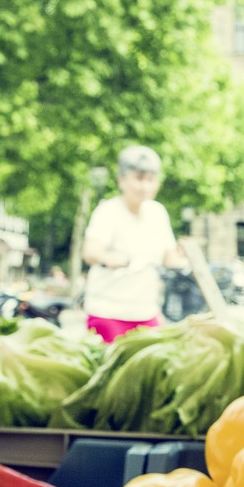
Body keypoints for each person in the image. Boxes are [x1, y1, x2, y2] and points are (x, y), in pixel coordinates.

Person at [82, 144, 188, 343]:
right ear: (122, 180)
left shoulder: (157, 213)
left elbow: (170, 257)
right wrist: (108, 257)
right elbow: (90, 251)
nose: (145, 187)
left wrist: (189, 258)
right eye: (139, 179)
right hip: (108, 312)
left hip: (146, 312)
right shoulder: (108, 211)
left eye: (151, 180)